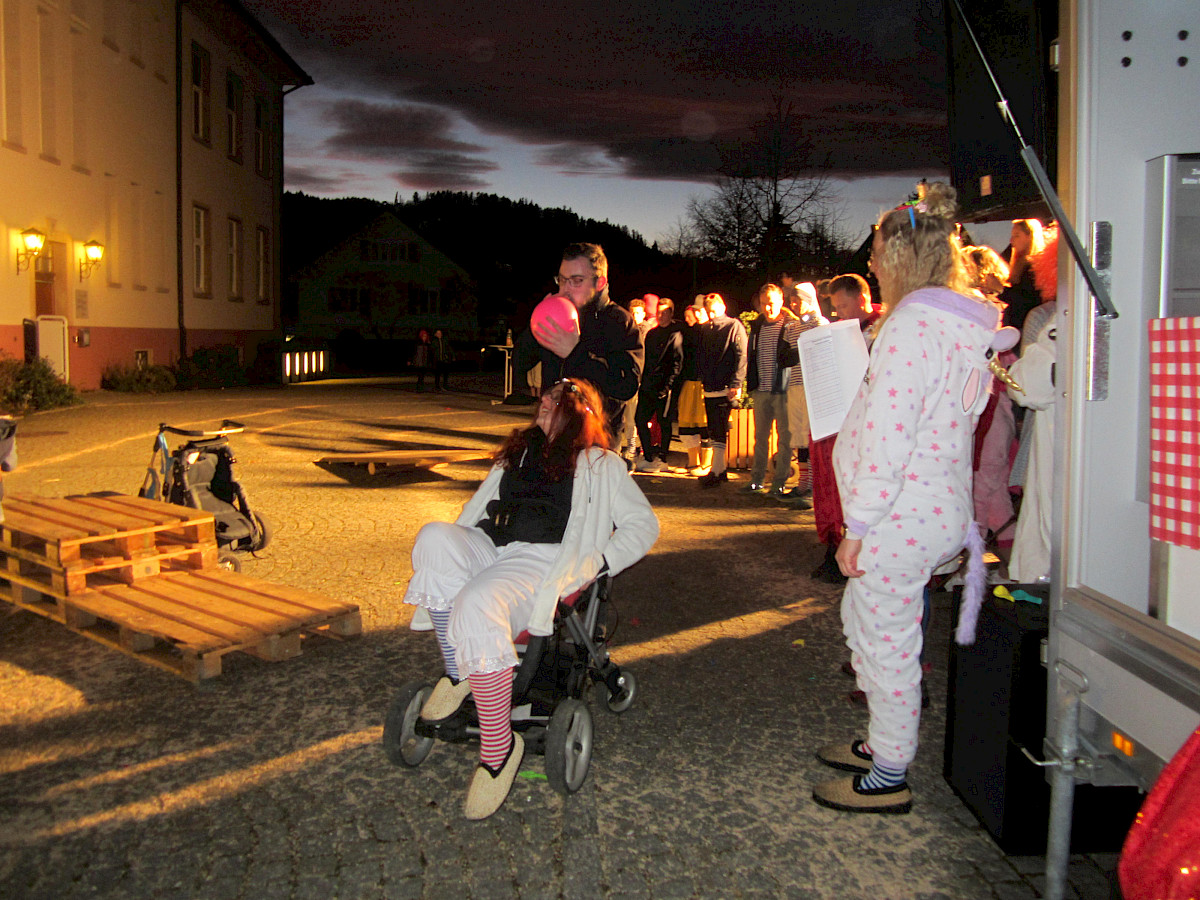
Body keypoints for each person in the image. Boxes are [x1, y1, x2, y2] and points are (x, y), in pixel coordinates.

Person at [813, 183, 1013, 815]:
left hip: (899, 514)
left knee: (887, 642)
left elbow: (889, 438)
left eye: (876, 253)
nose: (871, 264)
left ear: (900, 257)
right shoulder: (953, 327)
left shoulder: (910, 328)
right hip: (928, 507)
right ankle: (883, 743)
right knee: (867, 623)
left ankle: (889, 773)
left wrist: (857, 525)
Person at [403, 377, 659, 820]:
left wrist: (599, 562)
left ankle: (499, 750)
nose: (543, 401)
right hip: (494, 547)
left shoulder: (600, 464)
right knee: (433, 540)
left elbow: (643, 525)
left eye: (555, 398)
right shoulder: (519, 453)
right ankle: (458, 675)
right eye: (545, 395)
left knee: (477, 602)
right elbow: (478, 510)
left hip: (544, 559)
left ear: (579, 412)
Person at [519, 243, 644, 446]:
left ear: (600, 282)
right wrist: (535, 327)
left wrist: (575, 352)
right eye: (562, 280)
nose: (565, 289)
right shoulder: (558, 315)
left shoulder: (619, 321)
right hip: (551, 435)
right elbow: (521, 362)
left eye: (576, 281)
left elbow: (626, 385)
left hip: (596, 441)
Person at [808, 274, 881, 584]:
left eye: (843, 306)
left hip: (866, 423)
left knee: (855, 485)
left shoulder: (885, 329)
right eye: (835, 307)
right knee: (831, 483)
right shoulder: (841, 330)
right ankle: (834, 544)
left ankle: (854, 550)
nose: (838, 313)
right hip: (836, 418)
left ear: (863, 300)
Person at [743, 283, 800, 498]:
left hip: (783, 390)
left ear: (781, 302)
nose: (768, 308)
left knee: (785, 439)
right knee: (760, 437)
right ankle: (756, 481)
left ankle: (779, 483)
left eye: (772, 303)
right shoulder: (757, 326)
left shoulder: (791, 325)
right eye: (764, 304)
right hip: (762, 390)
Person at [782, 280, 826, 507]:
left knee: (813, 437)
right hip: (796, 385)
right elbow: (786, 357)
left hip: (814, 386)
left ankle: (815, 486)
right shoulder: (793, 327)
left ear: (808, 300)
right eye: (792, 301)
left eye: (797, 301)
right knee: (799, 437)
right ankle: (803, 484)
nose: (794, 305)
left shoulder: (820, 323)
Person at [696, 293, 748, 487]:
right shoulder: (706, 329)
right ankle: (719, 470)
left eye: (714, 310)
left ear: (723, 307)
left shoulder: (734, 326)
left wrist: (736, 382)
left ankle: (716, 471)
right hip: (710, 385)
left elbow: (741, 355)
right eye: (708, 311)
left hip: (725, 386)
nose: (711, 315)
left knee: (718, 427)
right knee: (714, 428)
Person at [634, 298, 684, 472]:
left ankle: (662, 458)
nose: (661, 316)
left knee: (664, 422)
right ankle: (648, 456)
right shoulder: (652, 334)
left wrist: (668, 386)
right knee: (640, 419)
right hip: (648, 384)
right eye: (659, 312)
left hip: (665, 386)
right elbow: (646, 359)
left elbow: (677, 363)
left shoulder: (676, 334)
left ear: (671, 313)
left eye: (665, 312)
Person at [675, 301, 711, 475]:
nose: (690, 318)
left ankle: (706, 464)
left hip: (704, 382)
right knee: (687, 423)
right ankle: (692, 462)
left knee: (705, 424)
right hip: (689, 381)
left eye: (693, 315)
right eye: (688, 316)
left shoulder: (710, 331)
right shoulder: (688, 332)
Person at [998, 218, 1045, 330]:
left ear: (1030, 237)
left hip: (1025, 327)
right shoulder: (1020, 265)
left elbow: (1022, 300)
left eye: (1017, 235)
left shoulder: (1034, 267)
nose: (1011, 240)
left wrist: (999, 288)